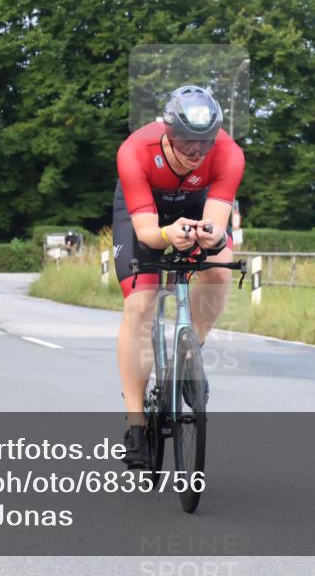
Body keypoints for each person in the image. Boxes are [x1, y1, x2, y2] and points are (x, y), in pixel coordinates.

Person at [112, 85, 245, 468]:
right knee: (140, 303)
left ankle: (190, 356)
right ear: (168, 133)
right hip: (146, 214)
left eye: (205, 143)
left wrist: (211, 237)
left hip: (199, 204)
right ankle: (136, 424)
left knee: (219, 271)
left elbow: (218, 228)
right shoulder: (135, 151)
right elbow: (148, 235)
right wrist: (170, 235)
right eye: (188, 142)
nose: (197, 152)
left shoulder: (229, 155)